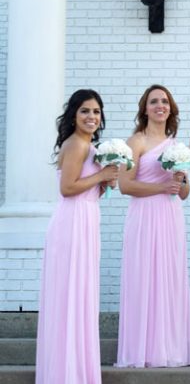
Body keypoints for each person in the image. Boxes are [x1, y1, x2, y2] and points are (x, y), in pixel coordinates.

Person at [35, 90, 119, 384]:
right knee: (70, 294)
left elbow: (88, 188)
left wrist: (106, 181)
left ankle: (77, 369)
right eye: (85, 111)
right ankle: (65, 373)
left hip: (86, 219)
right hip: (71, 222)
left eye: (96, 112)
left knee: (81, 294)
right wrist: (101, 175)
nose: (91, 117)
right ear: (73, 115)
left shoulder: (89, 145)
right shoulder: (75, 145)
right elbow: (68, 188)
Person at [115, 85, 190, 367]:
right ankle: (143, 350)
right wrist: (162, 186)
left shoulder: (176, 145)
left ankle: (168, 348)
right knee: (144, 278)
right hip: (144, 216)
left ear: (171, 108)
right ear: (145, 108)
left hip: (170, 217)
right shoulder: (136, 141)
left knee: (169, 279)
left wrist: (180, 179)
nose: (160, 106)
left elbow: (184, 193)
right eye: (154, 102)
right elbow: (125, 185)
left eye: (164, 101)